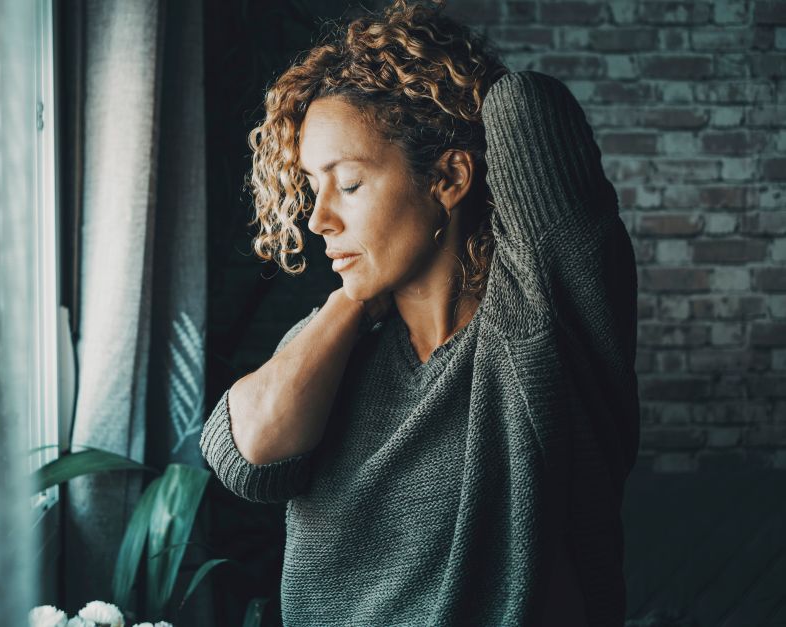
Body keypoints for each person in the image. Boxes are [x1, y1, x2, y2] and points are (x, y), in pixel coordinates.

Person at [200, 1, 640, 625]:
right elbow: (247, 458)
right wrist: (352, 302)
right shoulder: (342, 340)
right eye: (310, 186)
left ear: (449, 178)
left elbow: (524, 107)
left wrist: (442, 73)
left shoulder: (539, 322)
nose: (318, 218)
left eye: (348, 184)